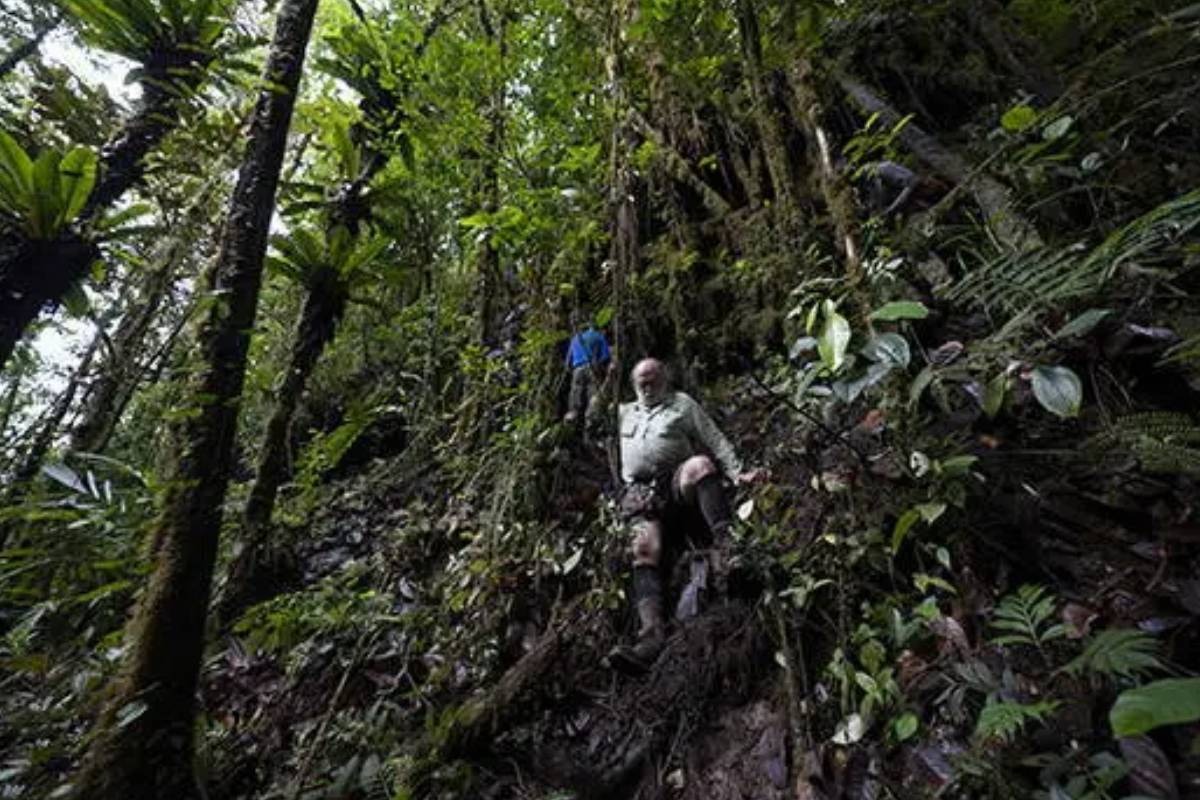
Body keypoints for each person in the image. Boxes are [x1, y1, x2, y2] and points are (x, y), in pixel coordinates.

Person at [606, 357, 763, 674]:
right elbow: (592, 421)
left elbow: (713, 438)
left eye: (653, 378)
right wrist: (608, 379)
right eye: (642, 381)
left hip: (675, 481)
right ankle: (651, 635)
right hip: (639, 492)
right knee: (643, 549)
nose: (648, 385)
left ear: (664, 378)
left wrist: (737, 473)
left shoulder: (681, 404)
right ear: (634, 385)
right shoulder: (622, 412)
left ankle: (727, 547)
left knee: (701, 465)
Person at [564, 320, 612, 424]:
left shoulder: (575, 338)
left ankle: (574, 412)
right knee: (592, 392)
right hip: (592, 368)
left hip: (577, 368)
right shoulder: (599, 336)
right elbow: (605, 357)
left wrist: (571, 369)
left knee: (576, 391)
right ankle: (591, 417)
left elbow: (568, 360)